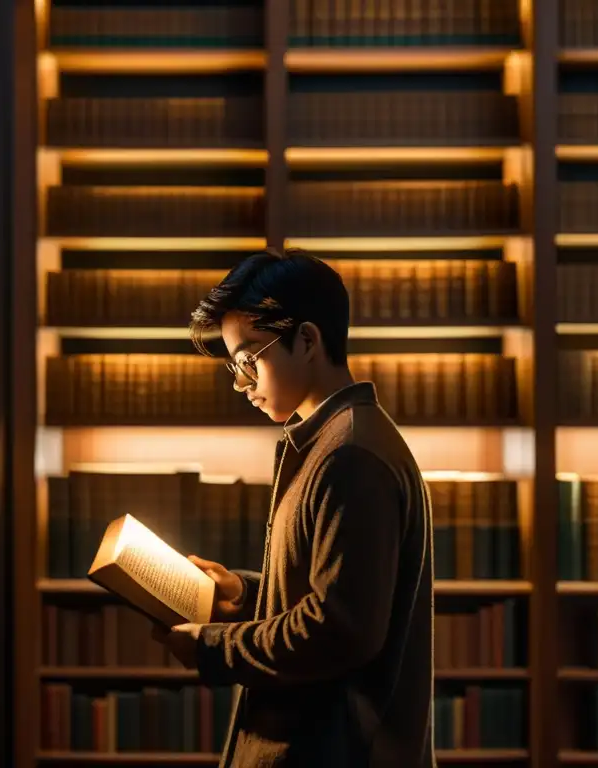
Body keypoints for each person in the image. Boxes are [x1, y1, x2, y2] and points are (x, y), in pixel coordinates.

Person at [152, 248, 436, 767]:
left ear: (306, 340)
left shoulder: (349, 455)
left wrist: (215, 648)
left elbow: (340, 630)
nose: (241, 383)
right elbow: (334, 594)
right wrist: (244, 593)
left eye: (248, 360)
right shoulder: (328, 440)